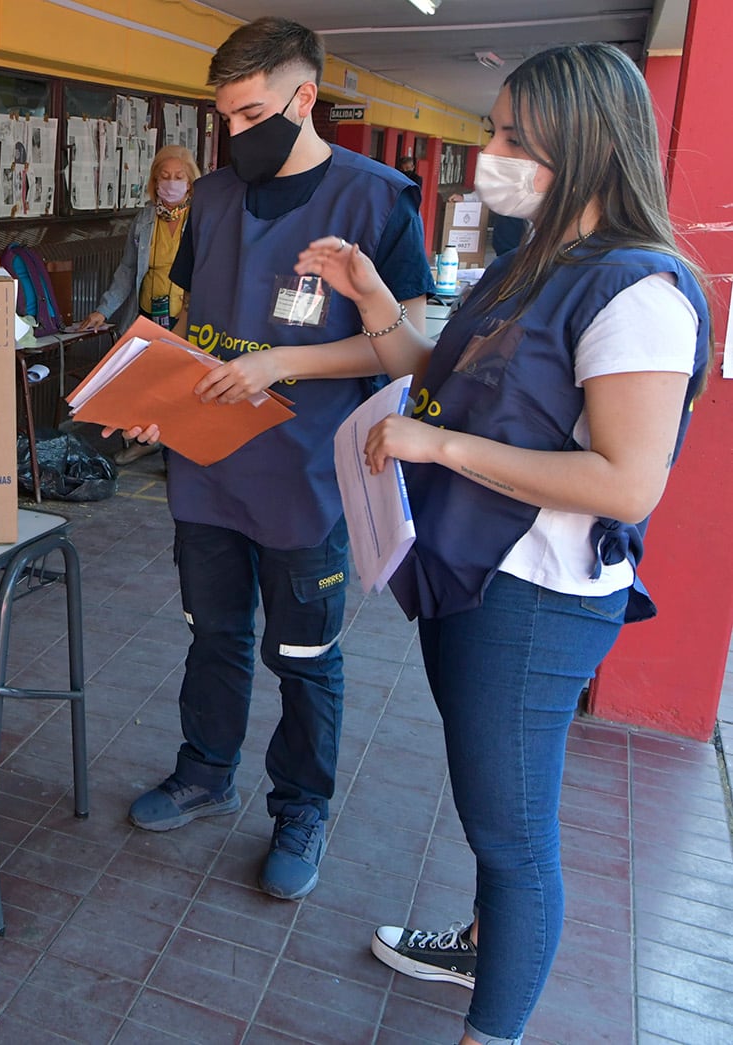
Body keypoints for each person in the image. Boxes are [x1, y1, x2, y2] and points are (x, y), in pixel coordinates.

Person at [295, 43, 708, 1045]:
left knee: (513, 833)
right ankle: (483, 942)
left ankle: (497, 1027)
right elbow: (437, 374)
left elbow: (625, 480)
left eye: (515, 137)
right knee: (495, 800)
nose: (494, 152)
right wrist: (371, 299)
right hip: (469, 576)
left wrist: (436, 443)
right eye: (495, 130)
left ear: (583, 145)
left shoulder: (636, 290)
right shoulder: (530, 263)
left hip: (533, 601)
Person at [118, 17, 434, 901]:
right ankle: (204, 770)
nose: (235, 133)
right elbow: (189, 330)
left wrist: (282, 361)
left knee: (303, 654)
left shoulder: (377, 199)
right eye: (224, 117)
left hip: (307, 479)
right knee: (212, 635)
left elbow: (405, 346)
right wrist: (158, 403)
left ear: (304, 98)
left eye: (253, 111)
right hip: (208, 471)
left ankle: (300, 806)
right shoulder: (213, 199)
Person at [79, 143, 201, 465]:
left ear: (190, 182)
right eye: (164, 176)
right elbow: (127, 270)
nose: (171, 183)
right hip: (147, 313)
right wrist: (103, 309)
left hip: (187, 315)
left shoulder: (202, 218)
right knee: (139, 380)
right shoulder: (144, 220)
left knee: (180, 385)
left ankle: (176, 454)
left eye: (178, 176)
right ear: (154, 182)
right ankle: (140, 440)